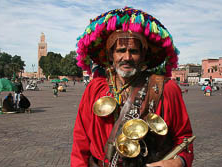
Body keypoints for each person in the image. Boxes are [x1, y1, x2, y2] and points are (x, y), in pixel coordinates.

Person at [71, 7, 194, 167]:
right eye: (121, 50)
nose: (127, 57)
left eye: (134, 51)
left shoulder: (167, 89)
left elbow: (184, 139)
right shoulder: (95, 88)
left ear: (143, 55)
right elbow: (81, 142)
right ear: (110, 55)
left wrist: (179, 162)